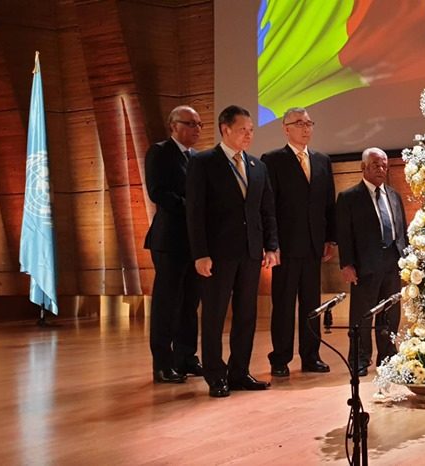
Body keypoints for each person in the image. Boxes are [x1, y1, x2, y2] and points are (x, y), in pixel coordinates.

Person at [186, 105, 280, 397]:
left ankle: (240, 372)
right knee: (214, 315)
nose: (249, 135)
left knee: (246, 315)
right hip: (217, 253)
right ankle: (215, 375)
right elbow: (195, 212)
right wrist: (200, 253)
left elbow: (267, 210)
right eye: (242, 130)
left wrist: (271, 246)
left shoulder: (257, 166)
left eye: (251, 130)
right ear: (225, 129)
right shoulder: (203, 162)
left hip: (250, 252)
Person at [261, 108, 336, 377]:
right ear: (286, 128)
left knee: (311, 304)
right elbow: (268, 206)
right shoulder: (272, 160)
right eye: (299, 123)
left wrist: (330, 238)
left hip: (314, 245)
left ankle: (311, 355)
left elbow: (328, 203)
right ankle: (280, 358)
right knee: (283, 304)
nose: (306, 128)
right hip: (286, 246)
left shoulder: (322, 160)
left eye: (309, 123)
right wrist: (272, 244)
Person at [144, 105, 204, 384]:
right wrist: (193, 208)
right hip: (169, 240)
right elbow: (158, 192)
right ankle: (162, 363)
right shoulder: (160, 152)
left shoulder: (198, 158)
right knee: (167, 303)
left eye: (199, 124)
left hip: (194, 242)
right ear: (173, 125)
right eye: (190, 124)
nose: (196, 129)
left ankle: (186, 357)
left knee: (190, 302)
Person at [336, 148, 408, 377]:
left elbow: (402, 231)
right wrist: (347, 264)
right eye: (376, 165)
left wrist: (406, 259)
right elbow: (344, 234)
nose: (381, 169)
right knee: (362, 315)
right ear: (364, 167)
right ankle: (359, 358)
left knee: (390, 314)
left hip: (393, 262)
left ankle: (388, 357)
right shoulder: (349, 197)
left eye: (384, 165)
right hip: (364, 265)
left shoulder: (394, 195)